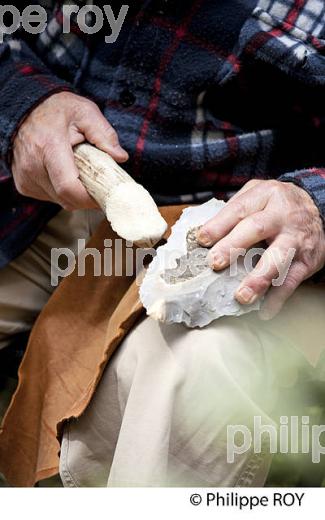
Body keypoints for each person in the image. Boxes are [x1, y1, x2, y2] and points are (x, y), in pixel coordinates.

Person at [1, 0, 325, 486]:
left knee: (197, 380)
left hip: (235, 227)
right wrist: (19, 99)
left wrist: (315, 203)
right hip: (38, 186)